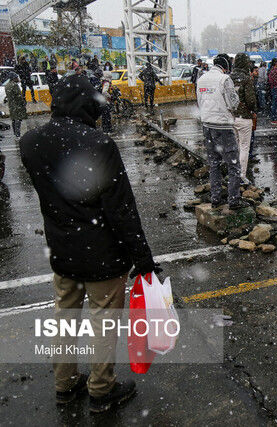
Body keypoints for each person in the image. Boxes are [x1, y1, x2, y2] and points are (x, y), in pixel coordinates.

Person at [19, 72, 158, 413]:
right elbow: (121, 209)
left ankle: (65, 385)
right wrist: (143, 259)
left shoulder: (31, 142)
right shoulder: (98, 144)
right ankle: (101, 390)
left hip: (62, 251)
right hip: (102, 255)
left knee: (64, 319)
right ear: (85, 104)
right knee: (102, 323)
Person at [197, 54, 246, 209]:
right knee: (233, 165)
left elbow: (199, 101)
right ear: (226, 67)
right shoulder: (224, 79)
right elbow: (233, 103)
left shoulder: (201, 79)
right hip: (223, 126)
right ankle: (234, 201)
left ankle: (216, 198)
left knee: (214, 164)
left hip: (207, 125)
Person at [230, 53, 257, 183]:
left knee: (234, 147)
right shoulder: (246, 79)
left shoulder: (228, 78)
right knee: (244, 147)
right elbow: (251, 100)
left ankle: (233, 174)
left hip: (231, 116)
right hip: (244, 116)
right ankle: (241, 176)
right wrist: (253, 110)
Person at [5, 72, 27, 137]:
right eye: (16, 77)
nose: (18, 78)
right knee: (18, 119)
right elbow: (18, 95)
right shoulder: (14, 85)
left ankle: (15, 133)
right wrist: (23, 102)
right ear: (14, 78)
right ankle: (18, 134)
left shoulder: (7, 85)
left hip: (11, 105)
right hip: (17, 105)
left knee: (13, 119)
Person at [268, 59, 277, 124]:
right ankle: (274, 118)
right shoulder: (275, 70)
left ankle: (274, 118)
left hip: (274, 88)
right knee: (275, 103)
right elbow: (273, 80)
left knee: (275, 103)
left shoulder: (272, 70)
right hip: (275, 88)